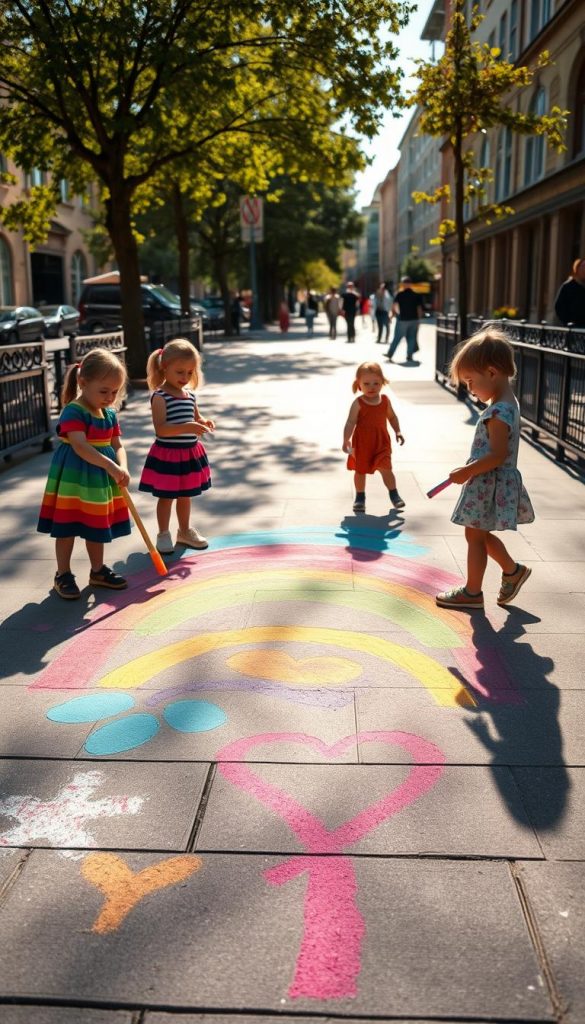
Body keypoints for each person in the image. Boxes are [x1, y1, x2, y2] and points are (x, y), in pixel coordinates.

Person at [435, 327, 535, 610]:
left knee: (474, 535)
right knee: (475, 533)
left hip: (487, 481)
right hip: (489, 481)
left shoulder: (497, 412)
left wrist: (466, 472)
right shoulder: (508, 403)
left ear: (491, 373)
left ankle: (472, 592)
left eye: (470, 381)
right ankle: (512, 571)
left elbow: (497, 455)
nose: (469, 389)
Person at [37, 348, 131, 600]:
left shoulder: (110, 413)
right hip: (74, 476)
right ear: (83, 382)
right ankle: (63, 573)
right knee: (66, 525)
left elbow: (117, 445)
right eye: (104, 391)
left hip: (99, 477)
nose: (110, 397)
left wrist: (122, 467)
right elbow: (80, 445)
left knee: (95, 524)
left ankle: (97, 571)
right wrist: (110, 466)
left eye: (115, 392)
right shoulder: (74, 411)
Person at [139, 339, 213, 554]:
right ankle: (163, 533)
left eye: (190, 372)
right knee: (166, 497)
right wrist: (187, 427)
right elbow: (161, 429)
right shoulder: (160, 397)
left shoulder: (190, 395)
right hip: (168, 456)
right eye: (180, 372)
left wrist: (202, 422)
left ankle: (184, 530)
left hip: (189, 454)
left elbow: (195, 417)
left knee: (185, 495)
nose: (185, 378)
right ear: (165, 367)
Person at [342, 361, 405, 514]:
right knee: (360, 471)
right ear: (359, 384)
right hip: (362, 443)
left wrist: (398, 431)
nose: (371, 387)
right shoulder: (358, 403)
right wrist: (346, 440)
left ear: (382, 383)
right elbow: (350, 422)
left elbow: (392, 417)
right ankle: (360, 497)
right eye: (367, 383)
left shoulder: (384, 401)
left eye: (376, 383)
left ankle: (394, 494)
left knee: (386, 468)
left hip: (381, 442)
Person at [387, 277, 423, 362]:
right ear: (411, 284)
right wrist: (419, 320)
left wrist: (393, 316)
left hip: (402, 319)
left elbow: (394, 306)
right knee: (411, 338)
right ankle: (409, 356)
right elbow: (419, 309)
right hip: (414, 320)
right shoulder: (416, 295)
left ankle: (390, 354)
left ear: (403, 284)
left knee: (397, 338)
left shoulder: (400, 294)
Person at [554, 257, 585, 327]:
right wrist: (567, 322)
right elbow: (559, 307)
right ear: (577, 269)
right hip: (572, 328)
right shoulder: (567, 286)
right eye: (583, 267)